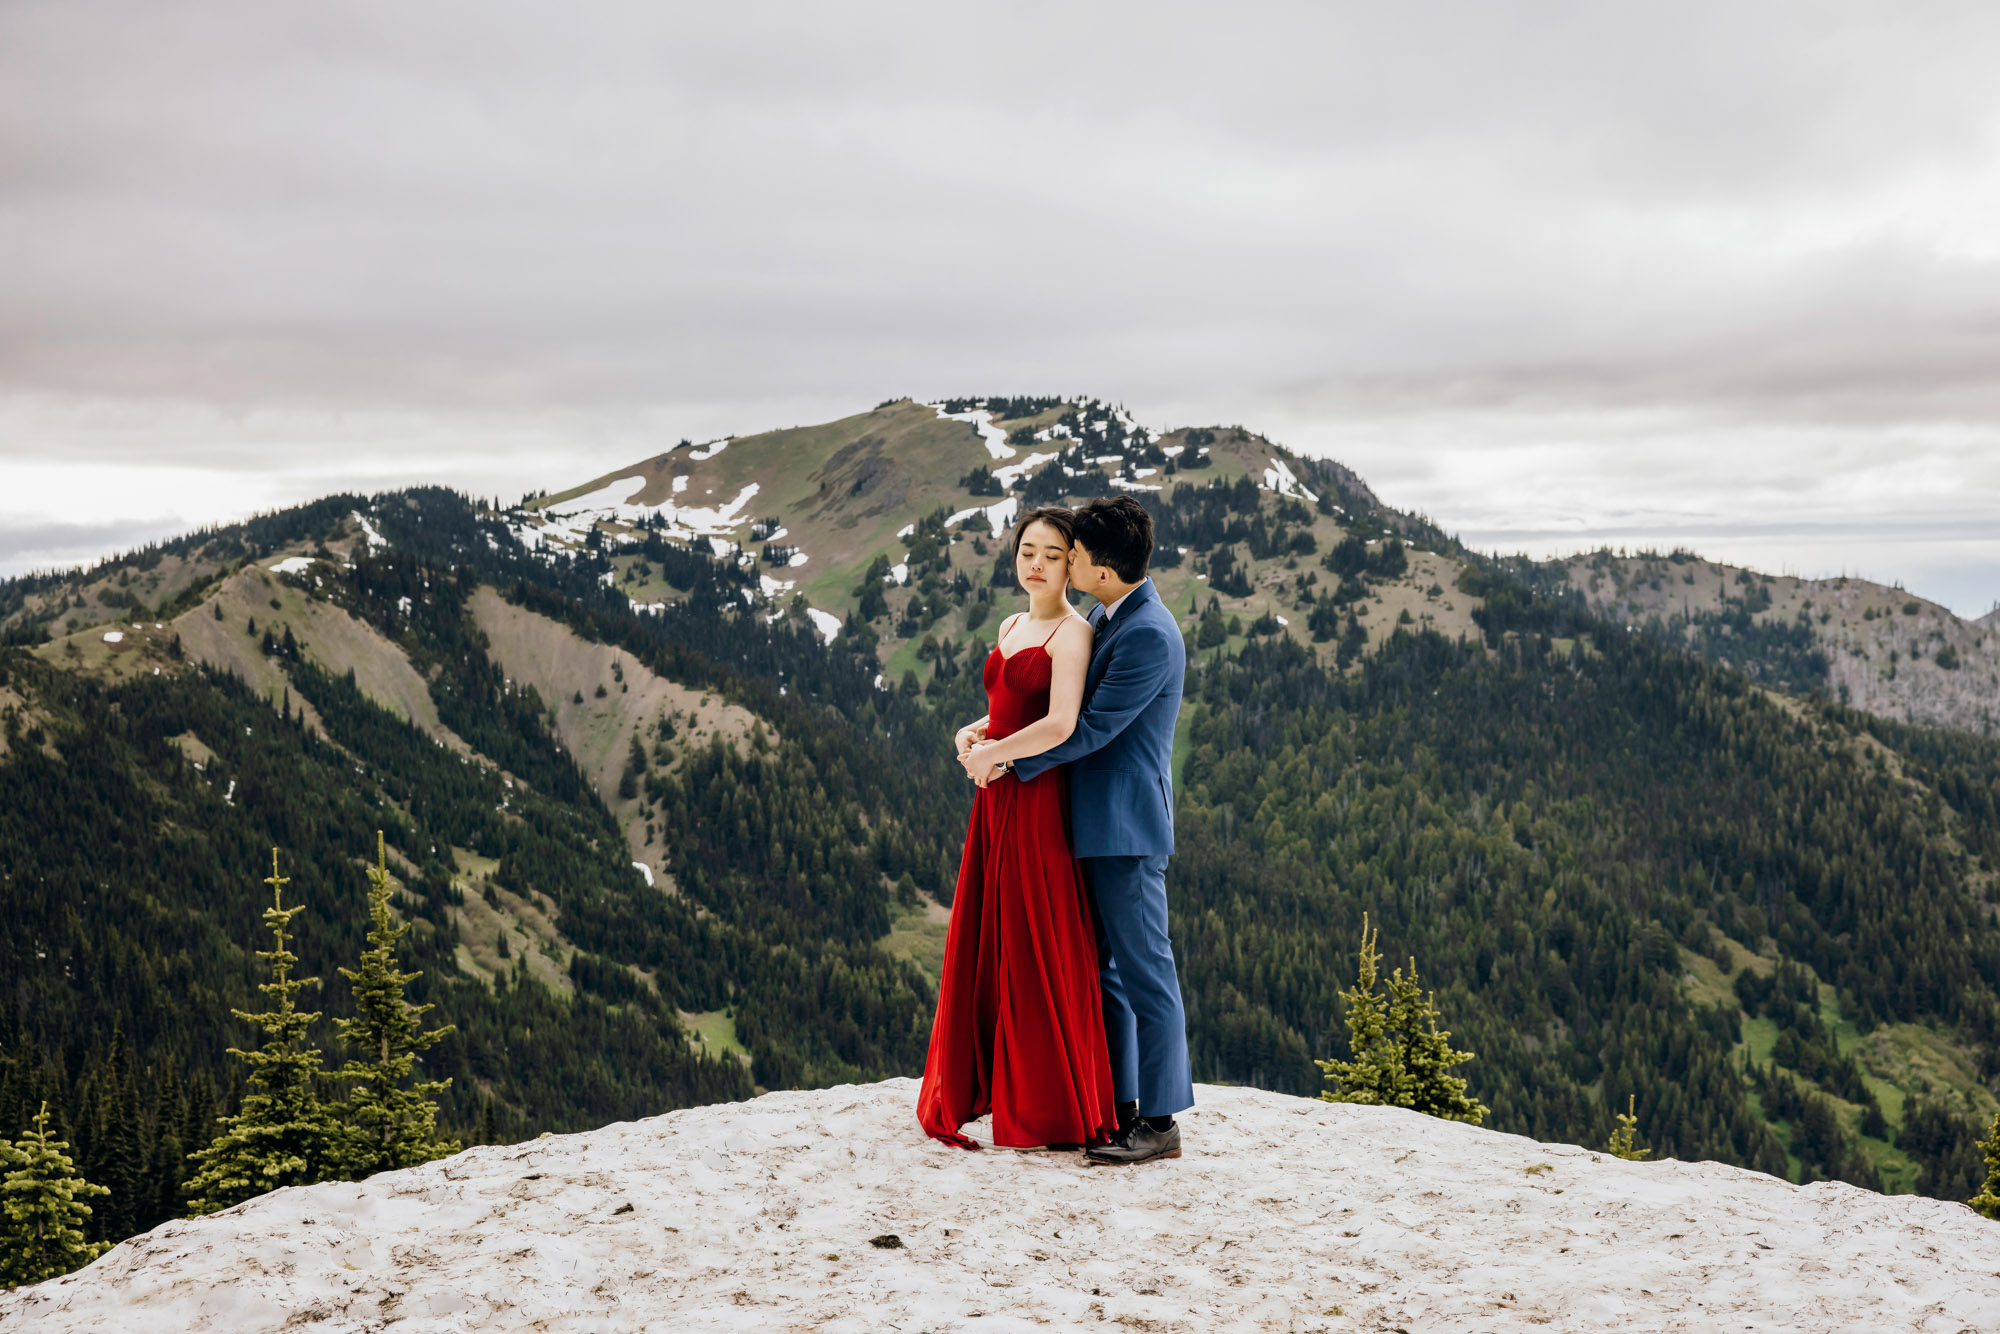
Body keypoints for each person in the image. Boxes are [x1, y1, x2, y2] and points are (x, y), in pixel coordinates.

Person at [962, 495, 1192, 1166]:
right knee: (1108, 974)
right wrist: (993, 731)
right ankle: (1116, 1102)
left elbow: (1091, 728)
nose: (1066, 564)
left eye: (1077, 555)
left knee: (1148, 974)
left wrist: (1005, 758)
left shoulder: (1148, 632)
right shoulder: (1112, 614)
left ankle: (1160, 1119)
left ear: (1104, 568)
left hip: (1126, 827)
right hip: (1092, 822)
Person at [915, 505, 1119, 1151]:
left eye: (1052, 555)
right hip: (995, 793)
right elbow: (1008, 702)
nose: (1035, 564)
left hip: (1034, 796)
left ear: (1072, 564)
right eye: (1027, 551)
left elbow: (1061, 723)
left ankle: (1045, 1101)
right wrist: (977, 730)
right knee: (994, 929)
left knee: (1033, 933)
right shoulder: (1011, 622)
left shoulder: (1074, 632)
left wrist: (995, 754)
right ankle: (994, 1083)